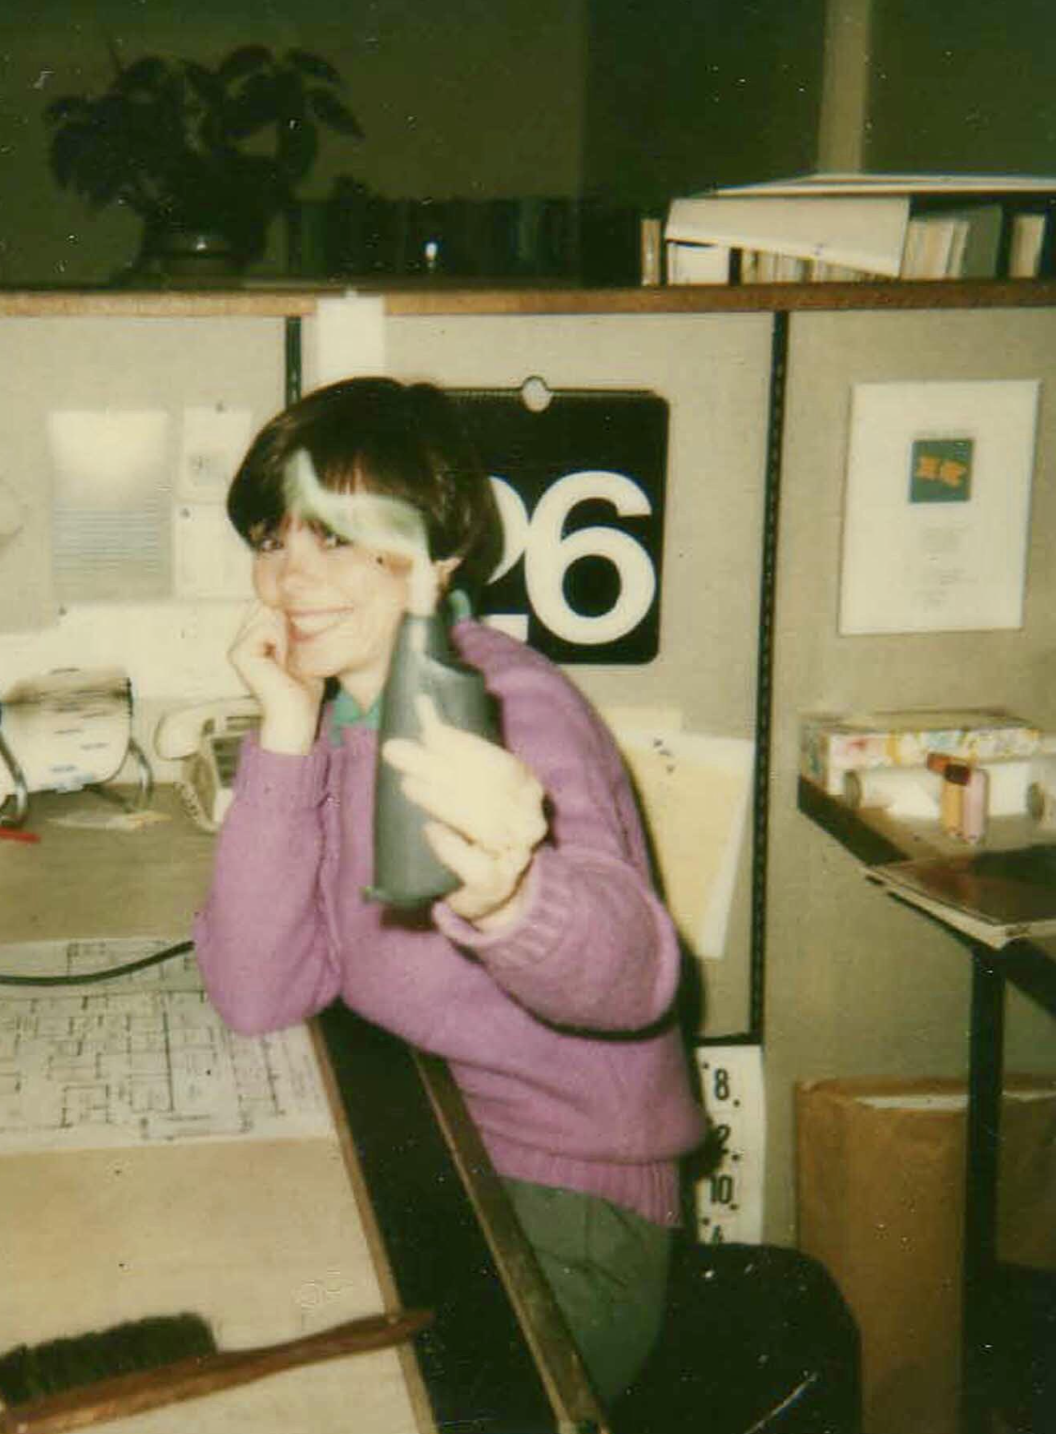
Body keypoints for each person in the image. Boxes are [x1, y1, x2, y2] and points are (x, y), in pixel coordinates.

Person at [193, 376, 706, 1404]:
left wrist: (510, 899)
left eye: (336, 538)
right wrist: (285, 733)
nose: (289, 579)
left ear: (440, 553)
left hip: (566, 1214)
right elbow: (256, 995)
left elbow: (636, 974)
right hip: (433, 1153)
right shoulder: (342, 716)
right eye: (271, 538)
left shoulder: (510, 711)